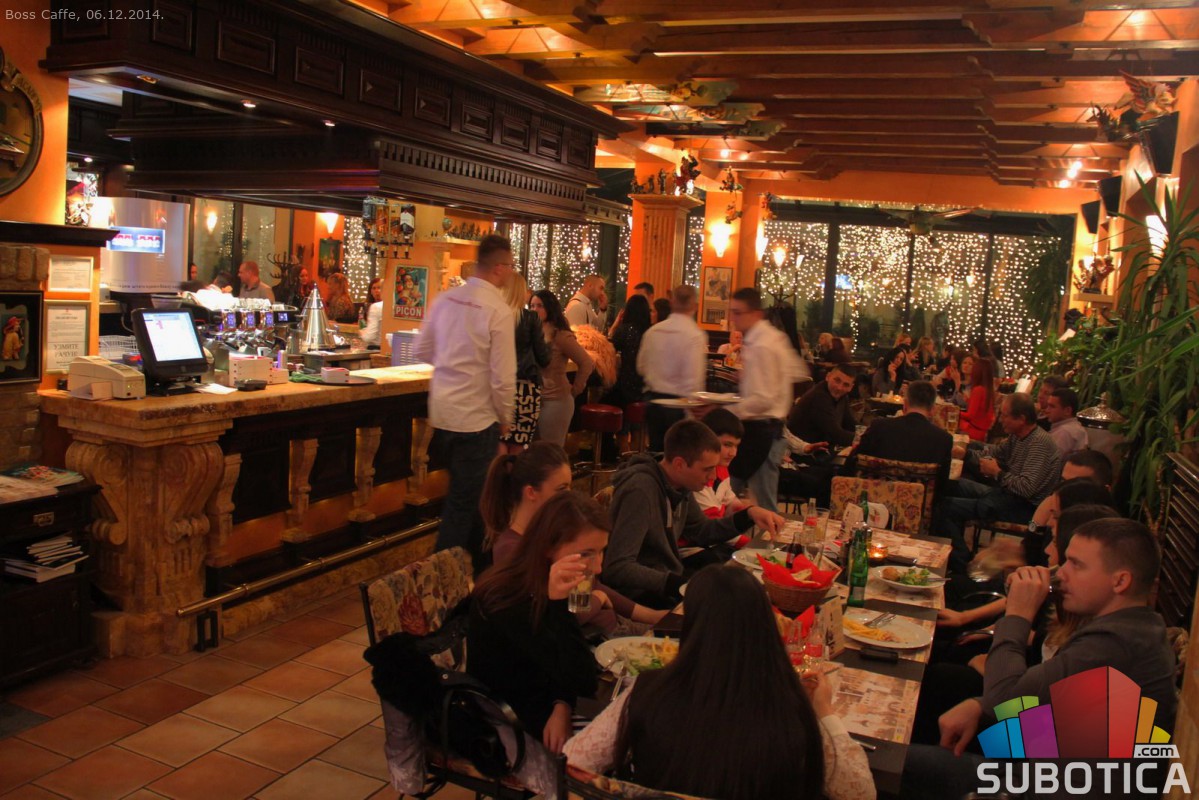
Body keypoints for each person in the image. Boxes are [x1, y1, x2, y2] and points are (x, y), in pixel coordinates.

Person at [908, 518, 1177, 800]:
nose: (1061, 573)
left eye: (1076, 565)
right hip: (1045, 765)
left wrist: (1018, 614)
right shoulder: (1135, 629)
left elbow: (1005, 701)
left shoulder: (1117, 643)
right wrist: (980, 705)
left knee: (895, 765)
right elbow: (1067, 717)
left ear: (1120, 581)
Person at [564, 566, 875, 800]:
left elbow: (573, 761)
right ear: (765, 626)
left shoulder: (650, 692)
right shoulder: (790, 705)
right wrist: (825, 711)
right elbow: (860, 791)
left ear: (692, 628)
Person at [467, 491, 604, 754]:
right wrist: (560, 606)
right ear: (548, 547)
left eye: (601, 551)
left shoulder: (544, 578)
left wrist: (562, 704)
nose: (597, 567)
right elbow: (584, 682)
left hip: (547, 695)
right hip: (504, 716)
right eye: (587, 553)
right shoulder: (507, 598)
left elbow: (560, 665)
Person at [480, 445, 666, 632]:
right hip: (596, 637)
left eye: (570, 486)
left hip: (614, 625)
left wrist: (651, 615)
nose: (569, 495)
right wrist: (598, 598)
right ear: (531, 493)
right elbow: (548, 617)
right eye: (562, 489)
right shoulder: (511, 548)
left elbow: (592, 584)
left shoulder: (553, 532)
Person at [605, 419, 784, 608]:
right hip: (639, 594)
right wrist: (678, 584)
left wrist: (748, 514)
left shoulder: (679, 483)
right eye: (707, 469)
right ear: (679, 464)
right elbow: (617, 567)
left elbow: (701, 530)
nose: (713, 476)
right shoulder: (640, 490)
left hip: (666, 579)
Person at [413, 234, 516, 560]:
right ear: (499, 268)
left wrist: (452, 366)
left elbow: (421, 349)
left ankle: (481, 570)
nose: (512, 272)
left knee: (472, 499)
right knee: (463, 504)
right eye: (511, 266)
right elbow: (503, 377)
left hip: (442, 415)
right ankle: (441, 577)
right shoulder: (497, 310)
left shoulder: (446, 300)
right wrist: (506, 418)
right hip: (476, 420)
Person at [938, 393, 1062, 572]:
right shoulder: (1018, 436)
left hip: (1023, 507)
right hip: (1004, 496)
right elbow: (995, 453)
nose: (1000, 420)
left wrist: (997, 473)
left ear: (1021, 419)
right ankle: (953, 552)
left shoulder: (1039, 444)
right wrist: (966, 453)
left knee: (944, 508)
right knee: (952, 485)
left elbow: (1027, 488)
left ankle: (963, 565)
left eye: (1004, 415)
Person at [726, 287, 808, 512]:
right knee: (736, 493)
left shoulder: (762, 345)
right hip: (766, 428)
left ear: (756, 313)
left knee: (756, 500)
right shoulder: (771, 338)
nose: (733, 318)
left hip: (762, 431)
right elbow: (797, 370)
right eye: (732, 312)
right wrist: (750, 376)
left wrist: (726, 410)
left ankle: (765, 533)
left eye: (738, 313)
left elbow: (763, 399)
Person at [851, 380, 953, 497]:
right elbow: (942, 488)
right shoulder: (944, 439)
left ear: (905, 404)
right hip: (920, 505)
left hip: (874, 501)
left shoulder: (878, 427)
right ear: (933, 410)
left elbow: (854, 463)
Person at [637, 285, 708, 452]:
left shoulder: (653, 331)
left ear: (672, 302)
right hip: (679, 406)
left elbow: (641, 367)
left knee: (656, 453)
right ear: (695, 306)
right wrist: (694, 412)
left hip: (653, 401)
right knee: (678, 456)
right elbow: (694, 379)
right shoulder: (695, 335)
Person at [529, 289, 594, 446]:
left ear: (549, 308)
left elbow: (587, 362)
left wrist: (576, 389)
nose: (534, 310)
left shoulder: (561, 335)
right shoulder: (531, 332)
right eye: (532, 306)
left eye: (540, 306)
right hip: (533, 400)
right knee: (533, 451)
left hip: (555, 400)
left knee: (550, 451)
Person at [500, 272, 550, 452]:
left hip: (499, 386)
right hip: (525, 388)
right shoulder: (530, 318)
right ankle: (512, 471)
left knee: (499, 440)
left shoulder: (495, 316)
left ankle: (497, 471)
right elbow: (543, 358)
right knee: (518, 442)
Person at [787, 363, 858, 448]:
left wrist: (865, 434)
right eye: (837, 380)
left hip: (822, 448)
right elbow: (835, 434)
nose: (839, 388)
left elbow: (850, 425)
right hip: (802, 450)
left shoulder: (842, 396)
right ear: (828, 377)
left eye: (846, 385)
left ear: (851, 387)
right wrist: (862, 440)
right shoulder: (818, 396)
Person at [693, 407, 746, 519]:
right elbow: (712, 524)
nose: (733, 453)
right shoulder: (697, 476)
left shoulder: (721, 468)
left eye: (736, 446)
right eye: (727, 445)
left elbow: (730, 502)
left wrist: (750, 511)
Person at [605, 293, 650, 407]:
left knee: (603, 398)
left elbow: (608, 350)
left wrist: (614, 327)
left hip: (627, 388)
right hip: (647, 389)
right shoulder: (651, 332)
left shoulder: (624, 330)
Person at [958, 355, 995, 441]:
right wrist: (968, 400)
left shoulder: (978, 390)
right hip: (982, 432)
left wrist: (955, 411)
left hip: (973, 432)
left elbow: (970, 415)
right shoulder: (988, 390)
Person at [1044, 387, 1088, 458]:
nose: (1047, 410)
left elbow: (1047, 460)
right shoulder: (1074, 427)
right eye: (1048, 406)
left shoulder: (1065, 432)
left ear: (1067, 411)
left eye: (1052, 406)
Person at [360, 276, 384, 348]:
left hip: (376, 347)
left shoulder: (376, 307)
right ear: (370, 291)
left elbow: (369, 337)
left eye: (379, 288)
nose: (377, 291)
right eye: (374, 288)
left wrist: (362, 332)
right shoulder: (367, 306)